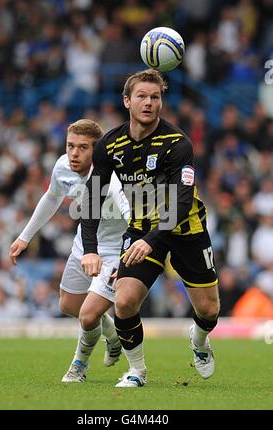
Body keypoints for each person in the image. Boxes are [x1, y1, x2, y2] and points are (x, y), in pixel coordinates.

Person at [81, 69, 220, 387]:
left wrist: (152, 240)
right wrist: (90, 249)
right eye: (141, 96)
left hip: (186, 229)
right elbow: (92, 199)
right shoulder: (109, 144)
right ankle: (137, 371)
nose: (149, 102)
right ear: (127, 101)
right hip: (142, 229)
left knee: (209, 311)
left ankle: (198, 342)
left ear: (161, 102)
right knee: (125, 301)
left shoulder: (178, 143)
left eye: (155, 97)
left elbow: (182, 202)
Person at [9, 119, 130, 382]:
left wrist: (127, 258)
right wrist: (25, 236)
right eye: (70, 146)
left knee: (88, 316)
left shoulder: (113, 176)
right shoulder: (63, 166)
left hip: (114, 251)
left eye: (83, 148)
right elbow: (52, 196)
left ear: (97, 151)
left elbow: (133, 218)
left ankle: (79, 366)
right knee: (68, 305)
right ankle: (112, 336)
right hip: (83, 246)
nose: (74, 153)